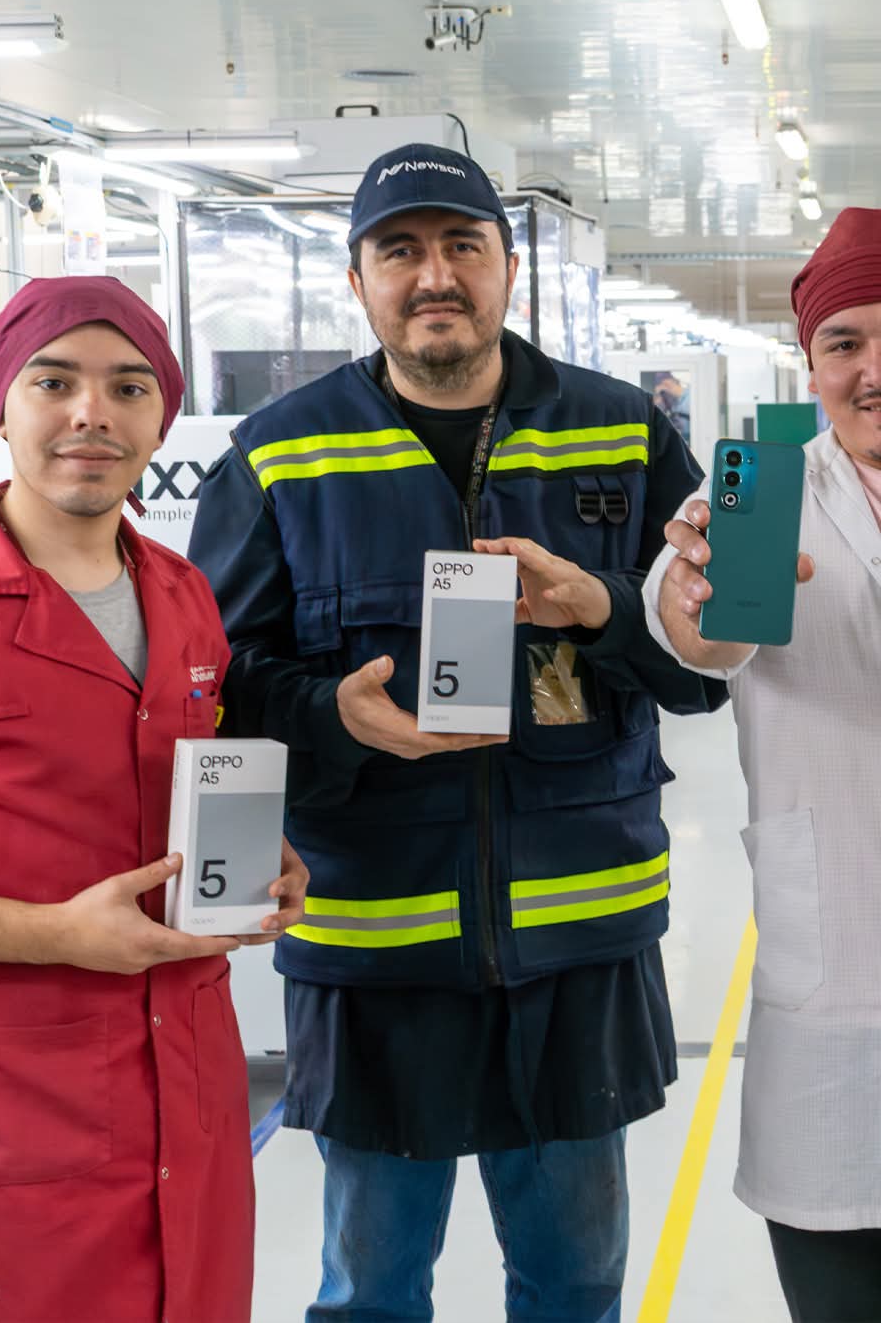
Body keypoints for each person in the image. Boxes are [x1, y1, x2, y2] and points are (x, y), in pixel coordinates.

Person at [188, 143, 726, 1322]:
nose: (434, 276)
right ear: (358, 280)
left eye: (461, 246)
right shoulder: (281, 454)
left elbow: (708, 672)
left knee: (575, 1288)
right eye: (400, 251)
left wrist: (601, 608)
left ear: (509, 267)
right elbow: (212, 686)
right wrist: (334, 717)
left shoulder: (624, 435)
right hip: (374, 948)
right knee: (371, 1293)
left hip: (578, 941)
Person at [0, 276, 309, 1323]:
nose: (93, 413)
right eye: (54, 382)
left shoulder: (183, 595)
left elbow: (174, 783)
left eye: (129, 386)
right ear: (1, 406)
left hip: (189, 1103)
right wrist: (55, 935)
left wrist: (257, 849)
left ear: (161, 419)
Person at [643, 207, 881, 1323]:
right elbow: (698, 631)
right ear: (810, 363)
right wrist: (696, 608)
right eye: (845, 343)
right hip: (840, 975)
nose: (872, 370)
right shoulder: (755, 499)